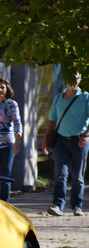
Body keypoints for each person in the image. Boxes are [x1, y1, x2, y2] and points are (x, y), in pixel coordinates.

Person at [42, 73, 89, 217]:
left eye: (76, 78)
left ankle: (77, 206)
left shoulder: (86, 97)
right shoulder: (58, 98)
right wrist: (45, 141)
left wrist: (86, 135)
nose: (72, 81)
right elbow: (52, 122)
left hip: (79, 141)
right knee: (60, 174)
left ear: (80, 80)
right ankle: (58, 205)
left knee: (77, 176)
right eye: (70, 78)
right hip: (60, 141)